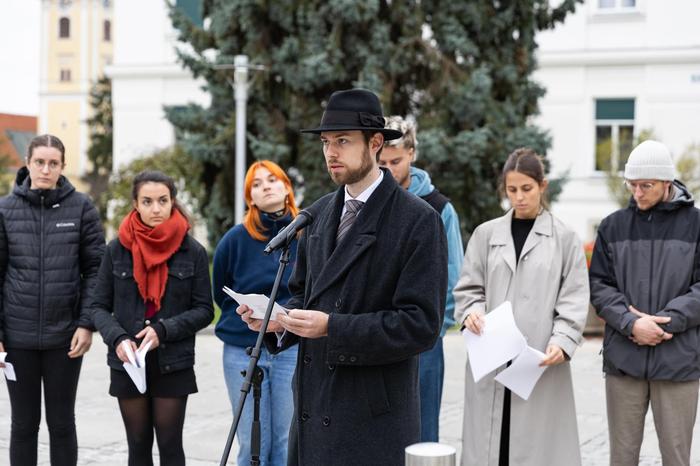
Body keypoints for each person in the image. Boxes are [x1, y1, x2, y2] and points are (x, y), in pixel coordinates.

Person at [237, 88, 448, 465]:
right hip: (314, 411)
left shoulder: (417, 220)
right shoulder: (316, 215)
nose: (331, 152)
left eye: (343, 141)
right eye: (326, 142)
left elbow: (421, 325)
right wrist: (278, 322)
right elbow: (304, 296)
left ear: (376, 143)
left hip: (372, 418)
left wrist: (333, 327)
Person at [454, 148, 589, 466]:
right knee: (490, 448)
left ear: (543, 186)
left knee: (535, 450)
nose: (519, 197)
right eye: (512, 190)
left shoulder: (565, 239)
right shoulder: (485, 235)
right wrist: (472, 311)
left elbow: (574, 298)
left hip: (539, 363)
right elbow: (469, 288)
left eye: (526, 189)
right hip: (491, 362)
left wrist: (562, 341)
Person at [91, 170, 214, 466]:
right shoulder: (116, 250)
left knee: (171, 446)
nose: (156, 209)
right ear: (135, 203)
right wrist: (118, 338)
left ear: (173, 201)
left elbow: (204, 310)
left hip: (173, 362)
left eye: (163, 200)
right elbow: (97, 307)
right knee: (137, 445)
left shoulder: (191, 250)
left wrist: (163, 330)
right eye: (147, 201)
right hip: (128, 362)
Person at [590, 140, 700, 466]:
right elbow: (599, 285)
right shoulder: (612, 226)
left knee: (676, 459)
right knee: (622, 458)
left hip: (678, 361)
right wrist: (631, 323)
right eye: (632, 185)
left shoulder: (697, 225)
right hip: (624, 361)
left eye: (646, 185)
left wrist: (667, 321)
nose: (637, 192)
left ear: (667, 183)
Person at [0, 134, 105, 466]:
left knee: (61, 424)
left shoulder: (81, 207)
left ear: (63, 166)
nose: (46, 169)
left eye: (53, 163)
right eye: (39, 162)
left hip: (65, 338)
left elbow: (96, 270)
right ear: (28, 163)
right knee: (23, 425)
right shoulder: (4, 209)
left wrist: (86, 323)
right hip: (17, 339)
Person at [380, 115, 464, 442]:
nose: (388, 168)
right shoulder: (368, 203)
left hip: (423, 340)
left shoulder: (439, 208)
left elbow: (453, 276)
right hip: (377, 334)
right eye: (382, 162)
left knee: (422, 431)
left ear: (412, 153)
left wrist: (433, 329)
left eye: (396, 161)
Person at [213, 160, 299, 466]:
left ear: (286, 187)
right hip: (242, 348)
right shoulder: (235, 239)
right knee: (251, 441)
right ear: (250, 196)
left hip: (290, 347)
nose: (266, 186)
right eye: (257, 183)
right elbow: (219, 289)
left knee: (285, 438)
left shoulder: (305, 234)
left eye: (273, 180)